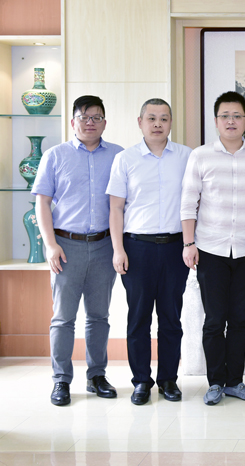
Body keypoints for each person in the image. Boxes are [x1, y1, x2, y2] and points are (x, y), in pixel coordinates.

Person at [180, 91, 245, 406]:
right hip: (210, 250)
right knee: (214, 321)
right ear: (216, 120)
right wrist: (189, 243)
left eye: (237, 116)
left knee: (240, 320)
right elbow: (188, 202)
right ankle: (215, 382)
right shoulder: (200, 156)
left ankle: (235, 382)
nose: (231, 121)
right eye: (225, 116)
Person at [32, 95, 124, 406]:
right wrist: (50, 245)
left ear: (104, 123)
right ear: (73, 122)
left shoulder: (118, 156)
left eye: (96, 117)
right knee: (63, 318)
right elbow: (42, 202)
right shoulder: (55, 155)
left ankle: (96, 376)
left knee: (99, 316)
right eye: (84, 117)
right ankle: (61, 380)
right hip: (66, 246)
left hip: (103, 246)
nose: (90, 122)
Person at [106, 98, 192, 405]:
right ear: (140, 122)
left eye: (164, 118)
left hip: (175, 248)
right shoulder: (125, 159)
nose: (158, 124)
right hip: (137, 248)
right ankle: (141, 380)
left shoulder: (186, 156)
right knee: (139, 318)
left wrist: (190, 244)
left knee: (171, 318)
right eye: (151, 118)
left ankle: (168, 379)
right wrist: (118, 249)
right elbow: (116, 208)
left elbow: (195, 202)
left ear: (171, 123)